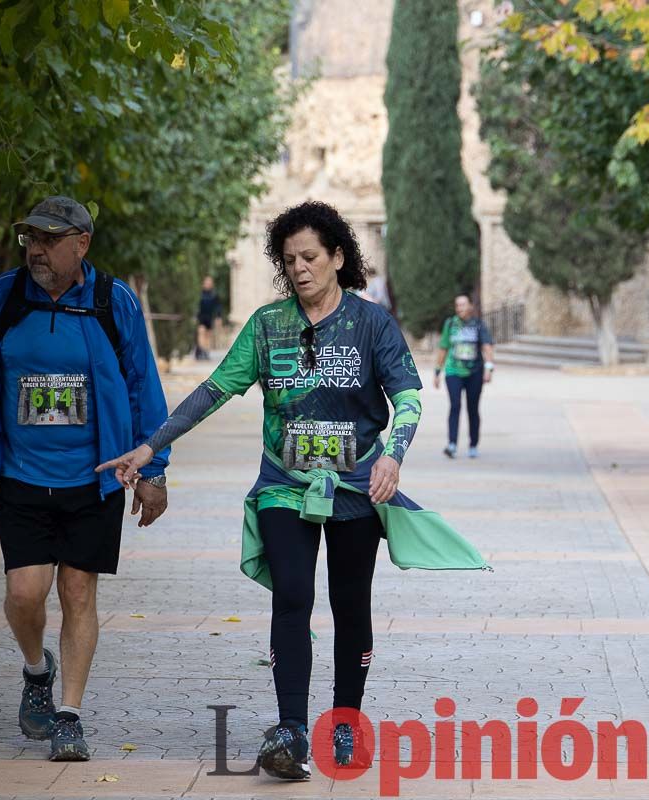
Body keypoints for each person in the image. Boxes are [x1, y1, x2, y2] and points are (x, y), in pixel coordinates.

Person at [98, 201, 488, 781]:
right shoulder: (267, 326)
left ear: (337, 257)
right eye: (289, 260)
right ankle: (291, 730)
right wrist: (152, 446)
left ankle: (347, 721)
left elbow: (408, 395)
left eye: (311, 256)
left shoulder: (371, 323)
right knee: (293, 596)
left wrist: (395, 456)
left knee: (350, 603)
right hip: (284, 485)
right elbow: (213, 390)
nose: (300, 268)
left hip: (358, 488)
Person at [0, 196, 171, 762]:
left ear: (81, 244)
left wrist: (153, 471)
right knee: (24, 593)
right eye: (29, 240)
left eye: (47, 240)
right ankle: (36, 671)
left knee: (77, 591)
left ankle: (69, 714)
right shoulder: (6, 296)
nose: (36, 251)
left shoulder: (111, 301)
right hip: (22, 473)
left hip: (93, 478)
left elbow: (144, 387)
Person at [433, 293, 495, 458]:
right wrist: (437, 371)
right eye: (457, 305)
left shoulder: (478, 324)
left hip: (475, 372)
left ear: (470, 307)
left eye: (463, 304)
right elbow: (443, 347)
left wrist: (489, 368)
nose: (460, 308)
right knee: (455, 406)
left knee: (472, 408)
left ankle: (473, 444)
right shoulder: (451, 323)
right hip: (453, 371)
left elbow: (487, 346)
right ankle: (452, 444)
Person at [195, 275, 222, 360]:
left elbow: (218, 307)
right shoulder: (199, 293)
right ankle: (202, 350)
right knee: (201, 332)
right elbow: (195, 305)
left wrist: (218, 317)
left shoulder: (214, 295)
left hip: (209, 317)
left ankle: (206, 351)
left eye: (209, 282)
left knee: (208, 336)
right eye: (206, 282)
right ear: (203, 283)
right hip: (201, 317)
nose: (208, 284)